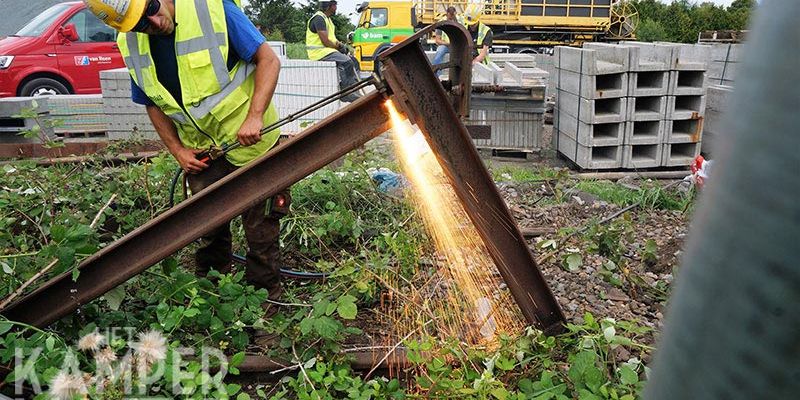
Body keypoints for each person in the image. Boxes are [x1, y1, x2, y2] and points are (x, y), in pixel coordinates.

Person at [83, 0, 290, 311]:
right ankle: (210, 303)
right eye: (140, 24)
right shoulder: (131, 43)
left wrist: (255, 115)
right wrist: (177, 150)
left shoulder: (212, 10)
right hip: (202, 153)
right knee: (207, 228)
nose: (153, 24)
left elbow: (268, 60)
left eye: (151, 10)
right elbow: (151, 101)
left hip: (252, 143)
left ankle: (266, 304)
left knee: (260, 231)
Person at [306, 0, 360, 102]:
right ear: (328, 6)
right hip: (319, 52)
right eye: (334, 5)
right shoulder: (319, 19)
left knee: (354, 61)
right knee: (347, 62)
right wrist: (339, 47)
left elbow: (332, 38)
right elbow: (326, 41)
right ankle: (346, 92)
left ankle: (354, 88)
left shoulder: (328, 19)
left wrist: (342, 46)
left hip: (327, 50)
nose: (336, 7)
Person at [431, 6, 458, 77]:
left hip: (457, 46)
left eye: (453, 17)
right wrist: (448, 43)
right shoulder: (442, 23)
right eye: (450, 17)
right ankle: (436, 75)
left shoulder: (460, 22)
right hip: (446, 46)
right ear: (447, 14)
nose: (451, 19)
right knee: (439, 52)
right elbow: (437, 40)